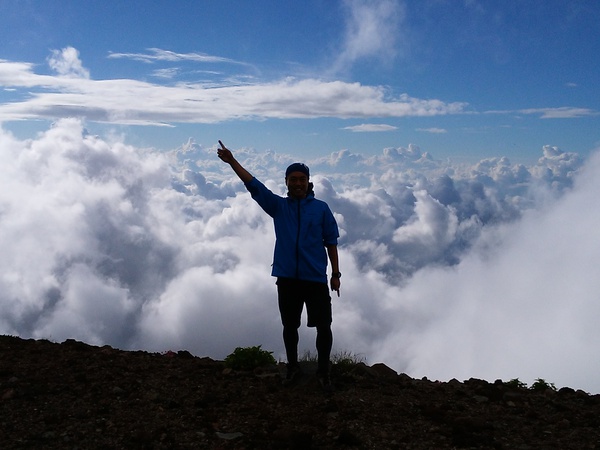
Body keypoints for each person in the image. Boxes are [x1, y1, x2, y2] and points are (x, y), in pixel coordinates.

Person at [217, 140, 341, 390]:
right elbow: (254, 186)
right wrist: (232, 162)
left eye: (301, 179)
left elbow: (331, 242)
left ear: (308, 182)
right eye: (293, 179)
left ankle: (323, 370)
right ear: (286, 182)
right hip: (287, 278)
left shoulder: (321, 209)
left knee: (324, 326)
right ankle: (293, 367)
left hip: (315, 277)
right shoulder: (279, 207)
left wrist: (335, 274)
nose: (297, 183)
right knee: (290, 326)